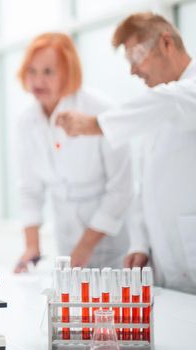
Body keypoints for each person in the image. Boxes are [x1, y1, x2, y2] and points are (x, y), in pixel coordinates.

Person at [56, 13, 196, 294]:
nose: (133, 71)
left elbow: (170, 100)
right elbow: (146, 186)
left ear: (167, 43)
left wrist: (93, 123)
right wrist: (140, 244)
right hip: (163, 262)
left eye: (137, 56)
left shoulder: (181, 95)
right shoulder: (155, 111)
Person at [13, 33, 132, 272]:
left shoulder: (99, 109)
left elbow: (121, 188)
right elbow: (30, 189)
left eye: (48, 72)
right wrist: (31, 247)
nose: (38, 80)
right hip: (66, 240)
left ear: (68, 72)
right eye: (32, 71)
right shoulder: (26, 121)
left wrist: (86, 246)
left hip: (112, 244)